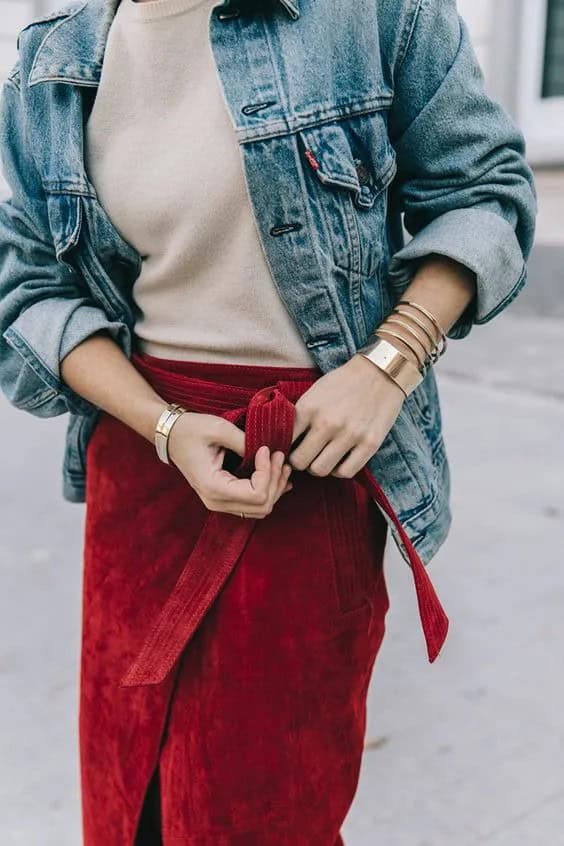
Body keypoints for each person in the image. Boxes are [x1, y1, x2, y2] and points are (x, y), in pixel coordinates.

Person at [0, 0, 537, 843]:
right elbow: (29, 290)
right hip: (145, 465)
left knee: (267, 811)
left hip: (311, 464)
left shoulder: (372, 14)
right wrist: (166, 426)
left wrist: (389, 361)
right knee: (127, 798)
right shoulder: (55, 60)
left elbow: (485, 196)